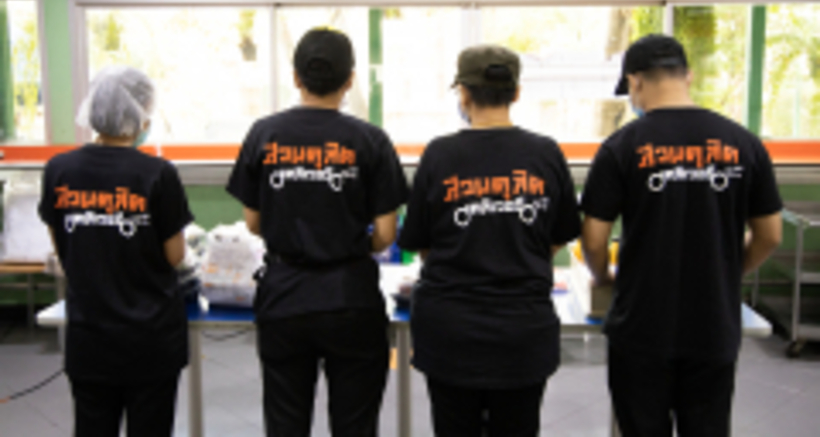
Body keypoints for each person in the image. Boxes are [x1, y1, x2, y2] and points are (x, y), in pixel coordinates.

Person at [580, 34, 783, 437]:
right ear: (687, 76)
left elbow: (594, 239)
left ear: (635, 81)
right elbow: (770, 235)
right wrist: (728, 271)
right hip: (713, 325)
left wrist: (603, 277)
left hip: (641, 326)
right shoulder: (744, 144)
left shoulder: (621, 146)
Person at [226, 27, 408, 437]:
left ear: (296, 78)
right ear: (350, 80)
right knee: (355, 425)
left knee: (286, 423)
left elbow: (253, 223)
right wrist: (350, 243)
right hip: (350, 297)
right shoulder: (371, 140)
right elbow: (385, 233)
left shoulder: (264, 134)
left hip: (284, 298)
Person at [398, 44, 581, 437]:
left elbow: (421, 243)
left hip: (450, 334)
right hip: (522, 333)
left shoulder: (439, 155)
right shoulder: (545, 153)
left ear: (463, 94)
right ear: (516, 93)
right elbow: (557, 237)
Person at [38, 66, 193, 437]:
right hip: (151, 338)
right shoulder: (157, 173)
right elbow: (175, 256)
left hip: (90, 336)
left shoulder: (59, 170)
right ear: (140, 115)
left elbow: (64, 249)